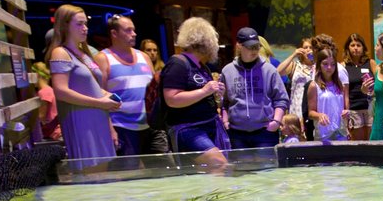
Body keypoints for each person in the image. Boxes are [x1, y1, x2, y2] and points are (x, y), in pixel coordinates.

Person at [46, 4, 120, 169]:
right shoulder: (60, 52)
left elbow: (92, 87)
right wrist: (100, 103)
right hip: (82, 122)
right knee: (90, 177)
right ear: (64, 26)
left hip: (98, 119)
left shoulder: (84, 53)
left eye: (85, 23)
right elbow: (60, 91)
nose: (85, 28)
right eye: (79, 24)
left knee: (103, 174)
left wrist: (106, 96)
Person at [160, 17, 228, 166]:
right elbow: (171, 99)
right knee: (219, 163)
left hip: (209, 125)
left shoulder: (202, 67)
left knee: (206, 170)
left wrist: (215, 93)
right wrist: (205, 91)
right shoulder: (178, 63)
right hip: (189, 129)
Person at [94, 15, 155, 156]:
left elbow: (154, 91)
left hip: (151, 126)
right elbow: (98, 96)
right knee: (130, 174)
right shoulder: (103, 58)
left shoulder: (144, 57)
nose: (134, 34)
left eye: (133, 30)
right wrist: (109, 129)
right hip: (122, 126)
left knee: (162, 170)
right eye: (128, 30)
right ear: (114, 34)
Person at [220, 27, 288, 149]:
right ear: (239, 46)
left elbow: (281, 99)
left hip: (265, 132)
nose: (255, 50)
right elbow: (224, 102)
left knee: (267, 168)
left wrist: (276, 122)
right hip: (237, 134)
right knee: (241, 168)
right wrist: (225, 122)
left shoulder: (269, 70)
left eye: (257, 46)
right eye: (250, 47)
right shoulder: (227, 71)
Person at [307, 47, 350, 141]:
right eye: (325, 64)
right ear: (319, 65)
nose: (329, 67)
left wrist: (346, 112)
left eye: (333, 64)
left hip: (341, 132)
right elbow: (310, 112)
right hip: (323, 134)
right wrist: (319, 116)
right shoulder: (314, 86)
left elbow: (345, 108)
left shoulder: (340, 84)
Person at [343, 33, 378, 140]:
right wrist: (346, 111)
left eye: (358, 45)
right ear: (348, 48)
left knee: (372, 141)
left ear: (363, 48)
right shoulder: (343, 65)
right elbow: (344, 92)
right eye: (352, 45)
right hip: (354, 109)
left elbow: (378, 83)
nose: (356, 48)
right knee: (358, 143)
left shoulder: (371, 63)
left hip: (370, 107)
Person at [278, 37, 314, 123]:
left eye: (311, 47)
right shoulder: (295, 65)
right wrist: (293, 55)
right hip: (297, 107)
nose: (308, 50)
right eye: (305, 47)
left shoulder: (318, 66)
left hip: (312, 108)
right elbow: (278, 72)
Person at [31, 62, 60, 141]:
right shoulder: (50, 89)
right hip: (54, 132)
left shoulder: (43, 92)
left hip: (51, 134)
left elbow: (41, 116)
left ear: (36, 75)